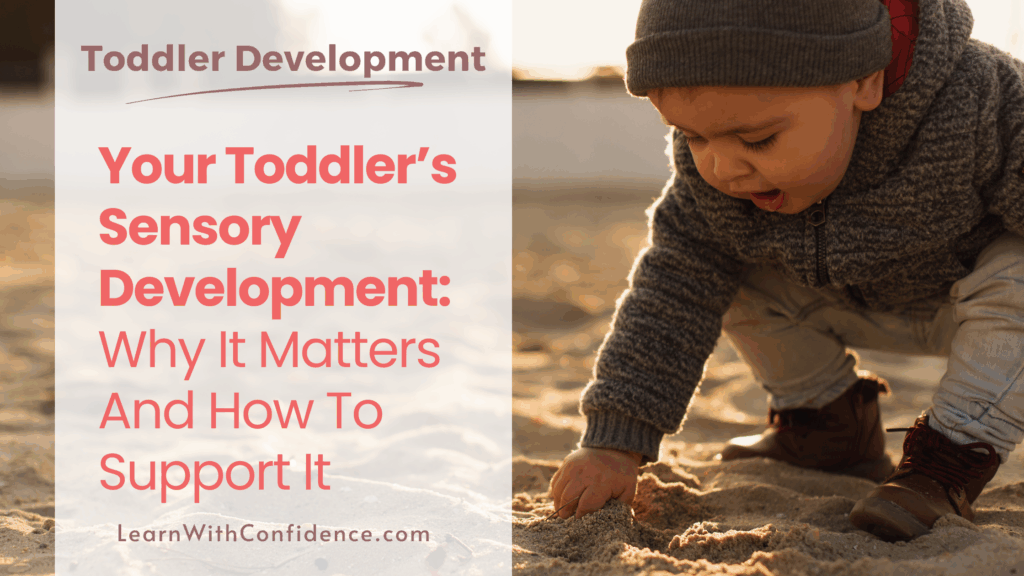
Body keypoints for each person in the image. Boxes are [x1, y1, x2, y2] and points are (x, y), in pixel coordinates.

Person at [548, 0, 1024, 542]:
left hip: (978, 311)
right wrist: (614, 441)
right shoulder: (715, 179)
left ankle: (946, 464)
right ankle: (828, 426)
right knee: (709, 263)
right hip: (844, 300)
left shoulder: (983, 101)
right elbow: (671, 288)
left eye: (756, 140)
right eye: (694, 136)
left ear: (863, 83)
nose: (722, 168)